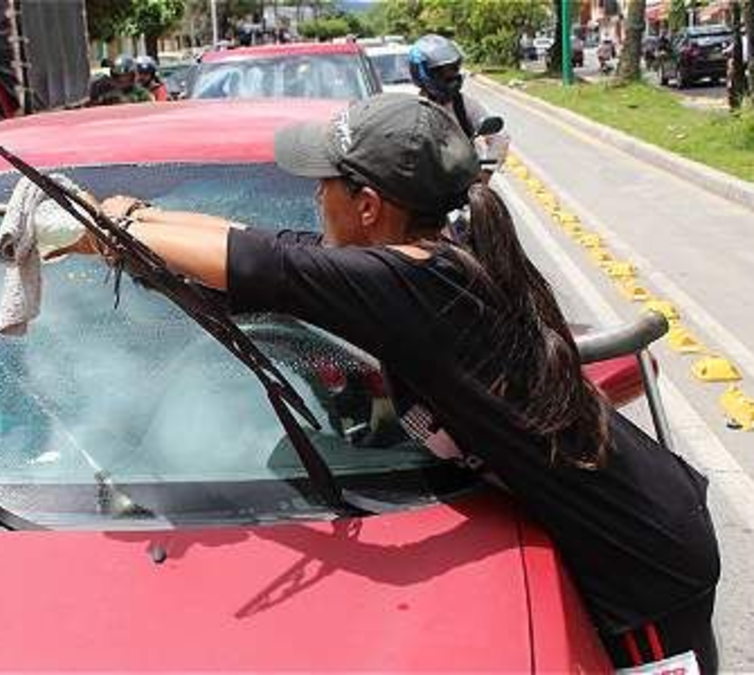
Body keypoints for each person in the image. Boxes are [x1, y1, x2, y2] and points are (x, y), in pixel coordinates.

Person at [46, 94, 721, 672]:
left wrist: (103, 232)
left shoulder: (414, 287)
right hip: (635, 532)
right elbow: (262, 241)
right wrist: (133, 218)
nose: (315, 196)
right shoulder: (418, 264)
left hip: (643, 562)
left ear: (368, 205)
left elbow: (265, 265)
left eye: (324, 183)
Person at [409, 34, 510, 177]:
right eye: (442, 71)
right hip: (426, 183)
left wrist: (486, 173)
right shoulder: (412, 110)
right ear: (422, 73)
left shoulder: (462, 105)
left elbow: (500, 137)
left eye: (453, 69)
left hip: (465, 179)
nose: (451, 76)